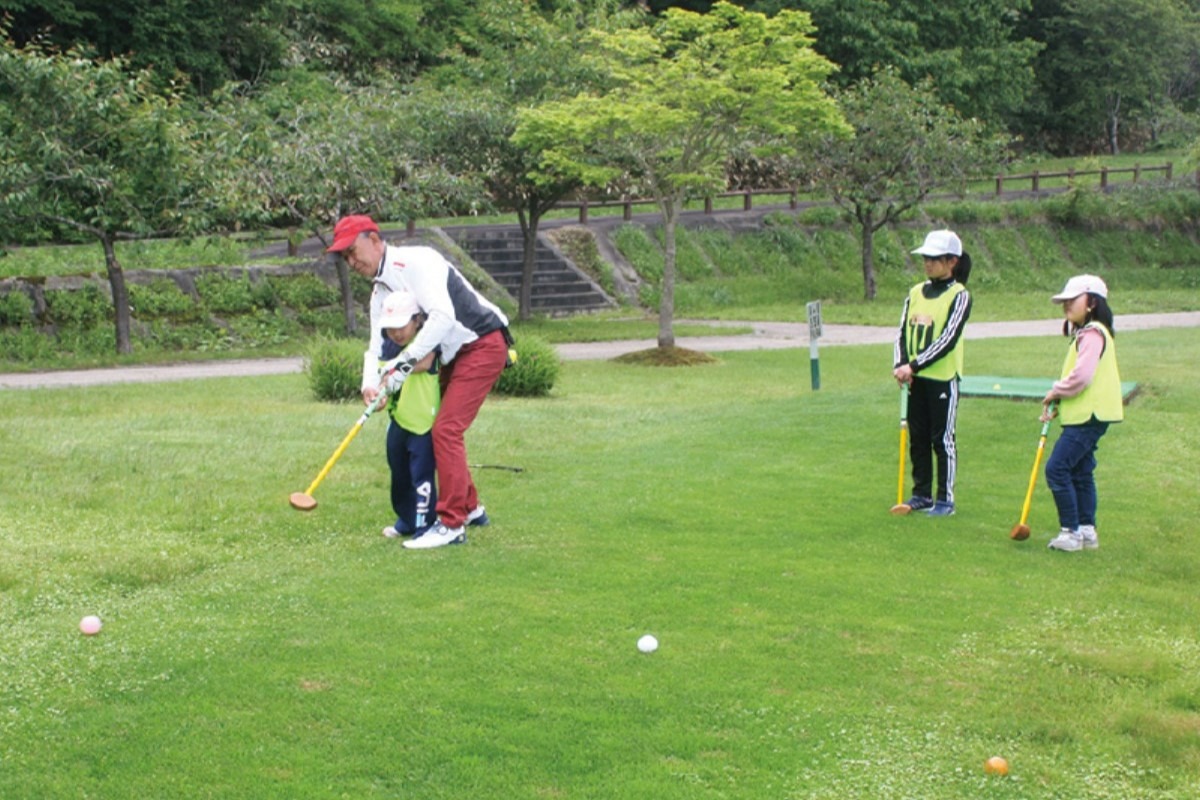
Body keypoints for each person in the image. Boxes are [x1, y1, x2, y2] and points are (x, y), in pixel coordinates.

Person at [327, 215, 509, 550]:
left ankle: (452, 522)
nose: (353, 262)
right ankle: (470, 509)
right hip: (454, 353)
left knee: (445, 429)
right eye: (346, 257)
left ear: (375, 240)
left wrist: (402, 364)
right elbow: (375, 345)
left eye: (354, 251)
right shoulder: (380, 291)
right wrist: (370, 384)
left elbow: (443, 317)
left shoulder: (417, 261)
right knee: (431, 427)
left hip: (483, 342)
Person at [892, 229, 973, 517]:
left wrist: (913, 365)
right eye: (926, 258)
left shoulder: (960, 296)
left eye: (935, 258)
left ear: (952, 261)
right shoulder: (915, 292)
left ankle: (945, 500)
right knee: (918, 436)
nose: (928, 263)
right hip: (915, 380)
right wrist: (900, 364)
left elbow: (947, 339)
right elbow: (902, 332)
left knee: (942, 439)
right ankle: (922, 494)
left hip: (942, 379)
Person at [1040, 274, 1123, 552]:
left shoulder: (1091, 333)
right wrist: (1060, 403)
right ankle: (1086, 530)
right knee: (1080, 471)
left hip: (1089, 416)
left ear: (1091, 303)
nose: (1066, 306)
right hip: (1088, 414)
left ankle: (1071, 532)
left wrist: (1056, 391)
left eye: (1072, 300)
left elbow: (1081, 377)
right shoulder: (1090, 333)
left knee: (1057, 468)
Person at [376, 290, 439, 541]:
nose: (396, 333)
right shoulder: (389, 344)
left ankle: (425, 525)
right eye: (391, 327)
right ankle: (407, 521)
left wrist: (393, 367)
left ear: (417, 320)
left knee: (420, 476)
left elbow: (422, 363)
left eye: (401, 326)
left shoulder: (427, 339)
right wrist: (379, 393)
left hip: (423, 421)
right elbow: (384, 376)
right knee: (398, 471)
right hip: (398, 419)